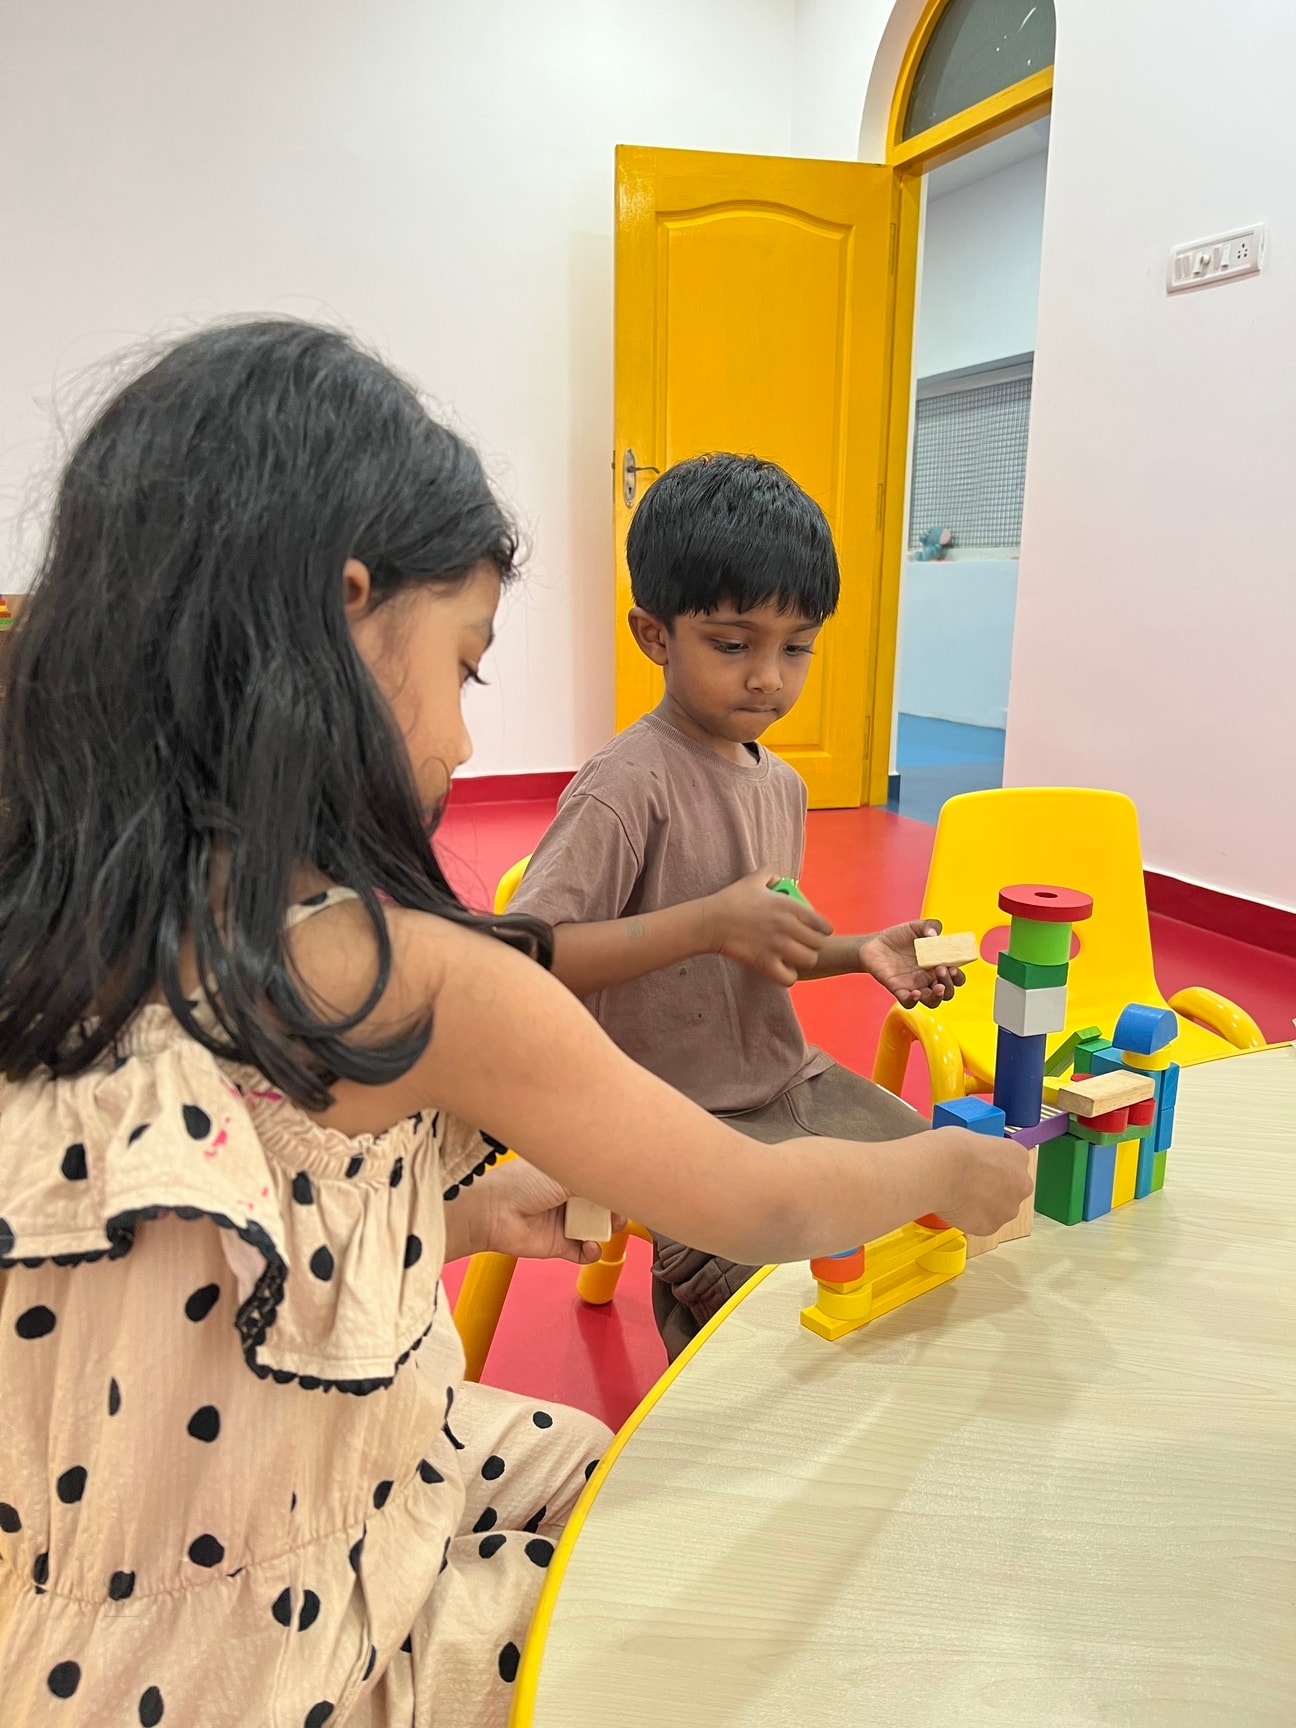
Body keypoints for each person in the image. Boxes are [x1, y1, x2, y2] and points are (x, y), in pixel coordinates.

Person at [0, 323, 1030, 1728]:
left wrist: (462, 1216)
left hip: (78, 1600)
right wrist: (949, 1169)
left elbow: (204, 1264)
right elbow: (763, 1196)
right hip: (282, 1630)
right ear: (346, 618)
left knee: (606, 1455)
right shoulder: (412, 969)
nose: (474, 738)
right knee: (734, 1589)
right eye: (469, 666)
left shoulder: (60, 947)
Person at [508, 453, 973, 1358]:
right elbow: (525, 957)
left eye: (796, 647)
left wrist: (860, 950)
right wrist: (707, 923)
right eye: (733, 644)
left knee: (940, 1201)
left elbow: (772, 947)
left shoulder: (782, 787)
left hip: (790, 1082)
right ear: (654, 635)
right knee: (769, 1325)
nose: (768, 677)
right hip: (669, 1119)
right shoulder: (626, 785)